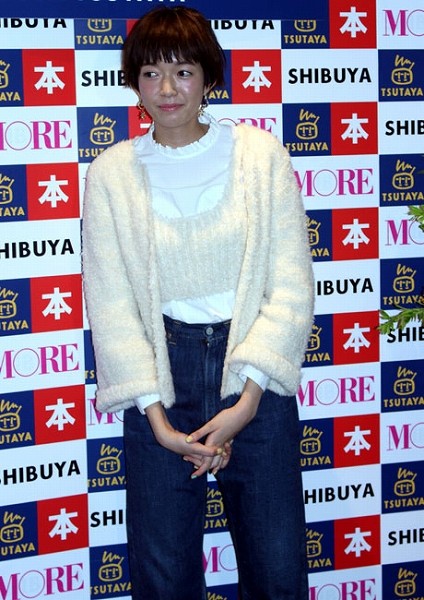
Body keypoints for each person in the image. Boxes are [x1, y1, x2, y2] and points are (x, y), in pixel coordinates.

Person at [83, 6, 314, 600]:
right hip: (161, 380)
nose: (167, 89)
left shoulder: (260, 156)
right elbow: (111, 304)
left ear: (208, 77)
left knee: (278, 572)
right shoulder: (111, 174)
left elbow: (290, 284)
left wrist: (247, 399)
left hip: (254, 374)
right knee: (164, 579)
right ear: (134, 83)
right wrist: (157, 419)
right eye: (151, 73)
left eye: (183, 72)